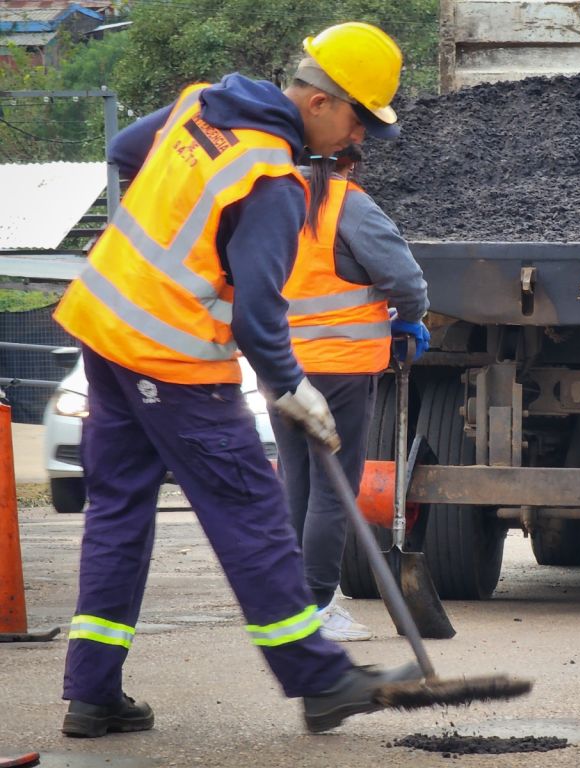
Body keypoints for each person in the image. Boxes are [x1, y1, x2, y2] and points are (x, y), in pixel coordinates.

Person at [52, 22, 422, 738]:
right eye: (359, 122)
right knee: (251, 510)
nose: (358, 142)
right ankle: (319, 681)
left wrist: (180, 224)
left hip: (105, 324)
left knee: (118, 510)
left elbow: (125, 149)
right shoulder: (273, 179)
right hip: (173, 357)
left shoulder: (203, 104)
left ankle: (93, 692)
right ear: (320, 101)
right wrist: (294, 385)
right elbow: (259, 316)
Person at [270, 64, 429, 642]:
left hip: (281, 367)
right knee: (335, 490)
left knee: (296, 485)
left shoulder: (270, 200)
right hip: (339, 371)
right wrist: (411, 318)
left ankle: (288, 601)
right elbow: (404, 277)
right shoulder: (347, 204)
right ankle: (315, 607)